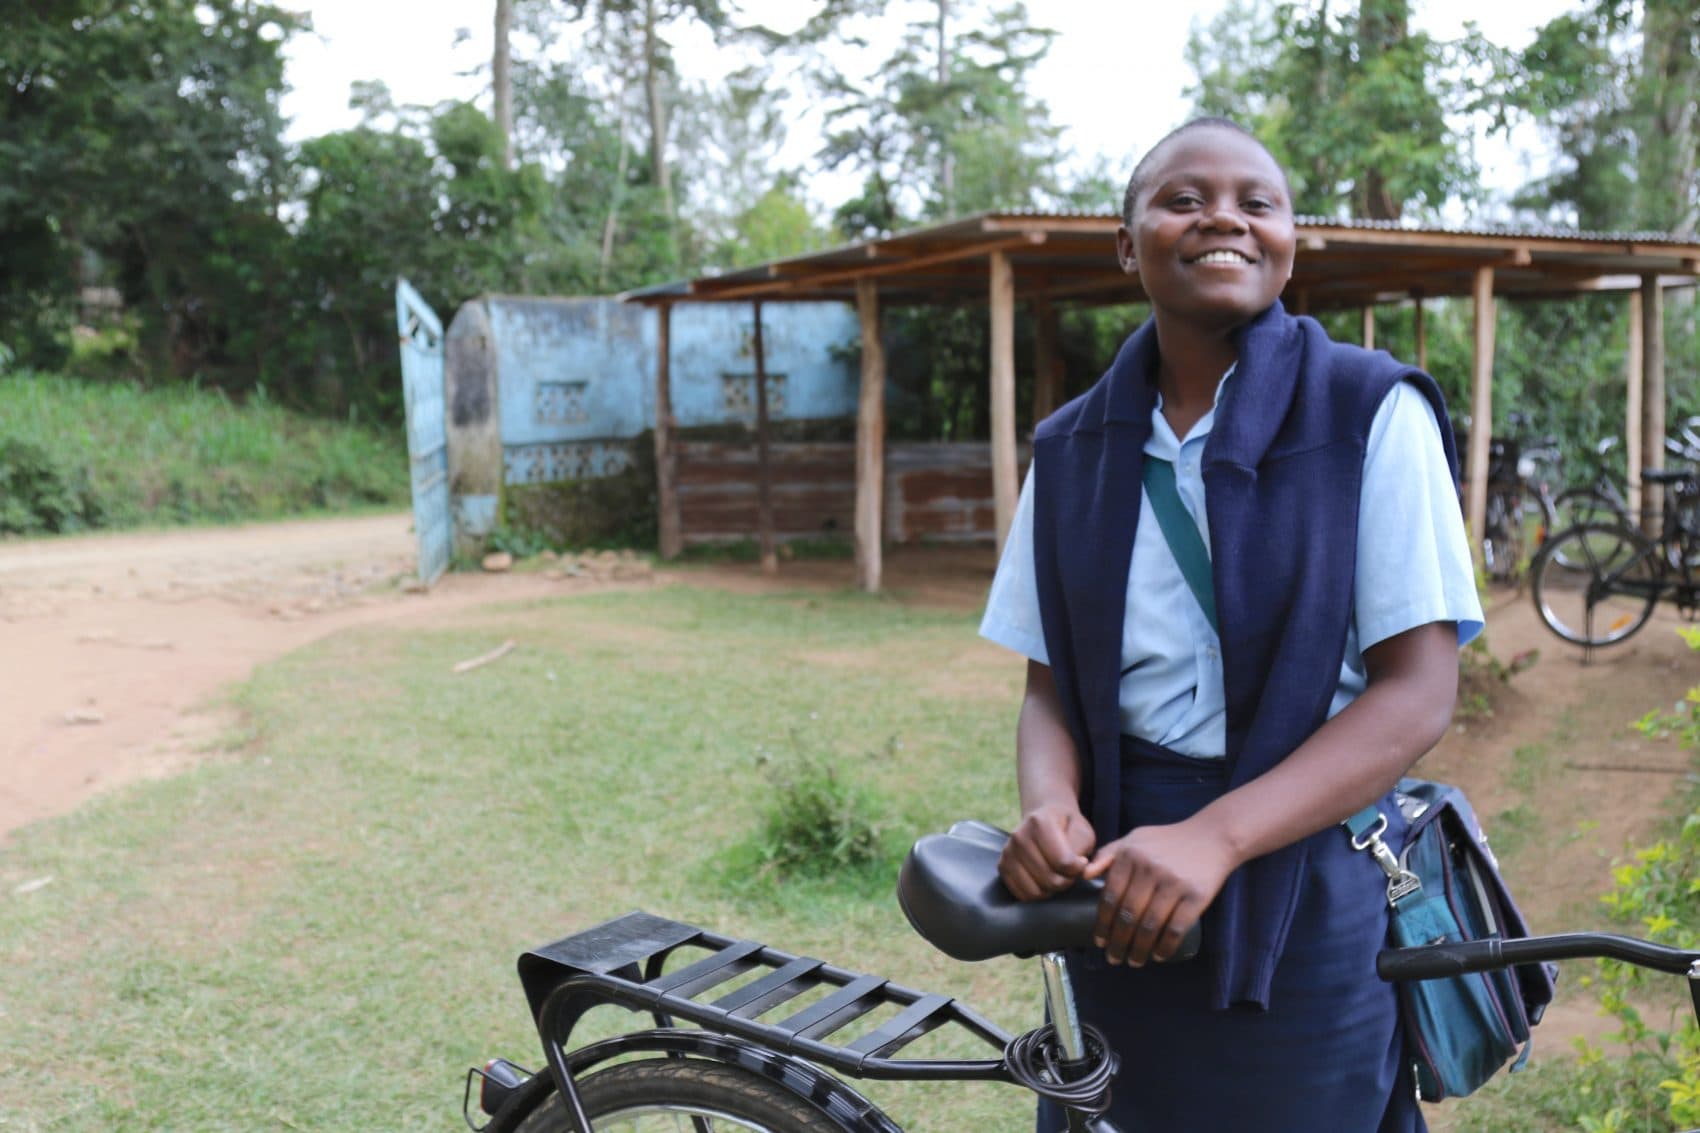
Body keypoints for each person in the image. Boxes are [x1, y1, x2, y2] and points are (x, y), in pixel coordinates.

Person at [979, 116, 1481, 1132]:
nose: (1224, 218)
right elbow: (1048, 688)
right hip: (1121, 892)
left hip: (1301, 871)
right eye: (1181, 198)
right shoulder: (1072, 447)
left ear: (1290, 239)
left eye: (1257, 202)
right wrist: (1049, 806)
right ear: (1127, 244)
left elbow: (1416, 692)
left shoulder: (1369, 414)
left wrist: (1214, 836)